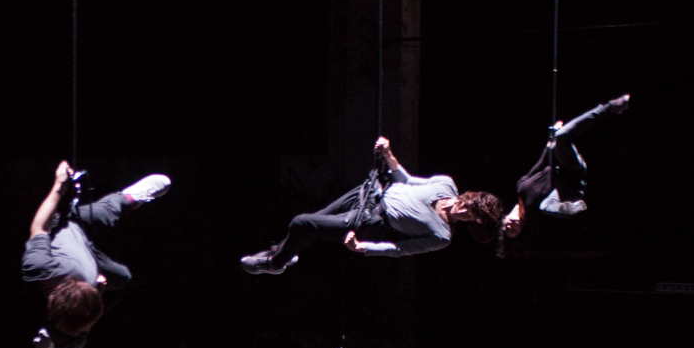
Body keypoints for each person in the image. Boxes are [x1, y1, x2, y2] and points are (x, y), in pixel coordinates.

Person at [241, 137, 502, 274]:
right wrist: (388, 154)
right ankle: (282, 253)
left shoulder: (442, 235)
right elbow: (406, 180)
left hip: (369, 223)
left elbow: (398, 249)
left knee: (302, 223)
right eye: (468, 207)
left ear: (471, 224)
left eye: (469, 217)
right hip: (368, 194)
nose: (463, 211)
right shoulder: (446, 184)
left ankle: (274, 264)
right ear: (470, 197)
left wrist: (362, 247)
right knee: (311, 222)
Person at [23, 160, 171, 348]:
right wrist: (99, 292)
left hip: (70, 225)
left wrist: (59, 185)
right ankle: (66, 336)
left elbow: (39, 228)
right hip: (88, 257)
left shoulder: (40, 267)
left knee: (110, 209)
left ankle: (128, 198)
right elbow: (87, 303)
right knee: (123, 278)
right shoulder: (91, 282)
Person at [502, 93, 629, 240]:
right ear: (520, 229)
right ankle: (570, 208)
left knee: (561, 136)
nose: (511, 227)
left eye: (506, 227)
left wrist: (551, 139)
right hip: (572, 182)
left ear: (505, 218)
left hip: (563, 164)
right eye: (513, 231)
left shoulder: (521, 188)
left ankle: (610, 107)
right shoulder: (534, 217)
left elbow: (540, 163)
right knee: (544, 206)